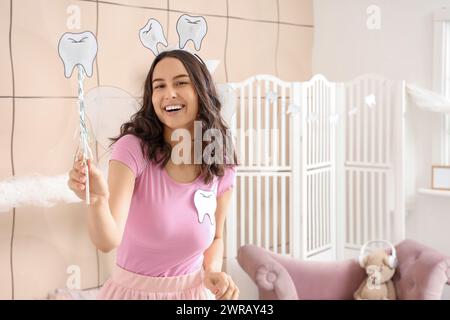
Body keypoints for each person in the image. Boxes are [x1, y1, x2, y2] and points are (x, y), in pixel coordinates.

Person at [68, 49, 239, 300]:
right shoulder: (133, 148)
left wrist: (212, 271)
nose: (169, 93)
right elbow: (107, 240)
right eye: (159, 86)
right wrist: (97, 200)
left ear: (202, 90)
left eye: (180, 82)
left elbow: (216, 236)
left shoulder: (220, 158)